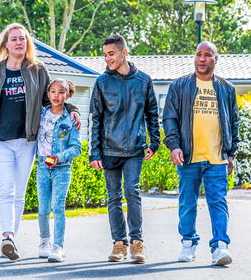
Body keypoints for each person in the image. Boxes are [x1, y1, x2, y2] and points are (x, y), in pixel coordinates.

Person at [0, 23, 80, 261]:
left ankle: (11, 237)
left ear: (27, 43)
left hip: (27, 141)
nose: (18, 43)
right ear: (6, 44)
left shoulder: (37, 70)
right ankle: (8, 237)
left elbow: (52, 99)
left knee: (19, 192)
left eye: (22, 39)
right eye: (14, 39)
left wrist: (71, 109)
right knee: (6, 189)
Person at [162, 41, 240, 266]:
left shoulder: (227, 89)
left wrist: (231, 153)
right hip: (188, 156)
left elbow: (233, 122)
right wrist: (174, 145)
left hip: (217, 158)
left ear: (216, 59)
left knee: (218, 202)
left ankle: (220, 247)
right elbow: (169, 118)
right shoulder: (180, 86)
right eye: (199, 54)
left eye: (208, 55)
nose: (202, 59)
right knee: (187, 202)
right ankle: (188, 243)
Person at [89, 34, 160, 264]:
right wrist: (95, 152)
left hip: (135, 149)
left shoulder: (144, 81)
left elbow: (151, 114)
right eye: (105, 54)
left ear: (124, 52)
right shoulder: (101, 82)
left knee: (132, 191)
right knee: (113, 197)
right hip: (109, 150)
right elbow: (96, 119)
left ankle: (137, 243)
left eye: (111, 54)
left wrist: (154, 142)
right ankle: (119, 244)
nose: (107, 59)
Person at [36, 78, 81, 263]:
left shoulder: (70, 118)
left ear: (67, 95)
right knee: (43, 208)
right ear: (47, 94)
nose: (56, 95)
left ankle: (58, 247)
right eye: (53, 91)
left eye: (61, 92)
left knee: (58, 208)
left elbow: (76, 148)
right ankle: (44, 242)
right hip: (42, 166)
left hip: (61, 169)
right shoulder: (40, 114)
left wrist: (59, 157)